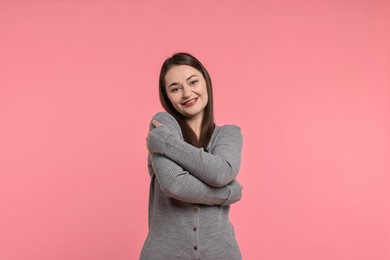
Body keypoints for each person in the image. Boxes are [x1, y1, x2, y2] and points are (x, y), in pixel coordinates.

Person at [140, 52, 243, 260]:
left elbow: (220, 173)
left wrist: (165, 143)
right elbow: (175, 185)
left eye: (193, 82)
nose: (187, 93)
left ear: (205, 82)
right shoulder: (162, 124)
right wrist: (229, 193)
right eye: (175, 89)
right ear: (167, 96)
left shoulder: (228, 134)